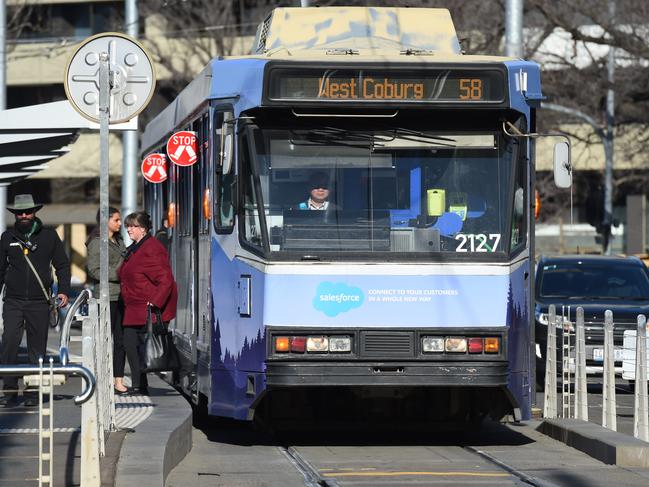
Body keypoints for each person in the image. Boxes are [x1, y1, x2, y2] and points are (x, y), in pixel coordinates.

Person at [0, 194, 70, 408]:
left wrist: (64, 291)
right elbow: (0, 269)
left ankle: (32, 391)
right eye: (19, 213)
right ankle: (10, 390)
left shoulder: (49, 236)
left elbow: (63, 265)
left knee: (36, 349)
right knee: (9, 343)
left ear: (34, 213)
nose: (23, 215)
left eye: (27, 212)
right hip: (13, 300)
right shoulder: (7, 237)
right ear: (15, 215)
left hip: (40, 302)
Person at [118, 212, 177, 396]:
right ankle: (139, 385)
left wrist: (156, 302)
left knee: (135, 347)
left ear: (142, 229)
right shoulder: (135, 247)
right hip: (133, 307)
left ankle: (138, 386)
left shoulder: (151, 247)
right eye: (127, 226)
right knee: (130, 346)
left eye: (132, 226)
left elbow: (166, 279)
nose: (128, 229)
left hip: (146, 308)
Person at [85, 206, 129, 395]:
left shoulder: (119, 241)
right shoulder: (97, 243)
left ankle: (118, 379)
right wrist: (120, 273)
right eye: (116, 220)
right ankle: (101, 378)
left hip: (122, 296)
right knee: (104, 340)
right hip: (106, 297)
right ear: (106, 221)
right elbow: (94, 270)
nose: (120, 223)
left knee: (121, 340)